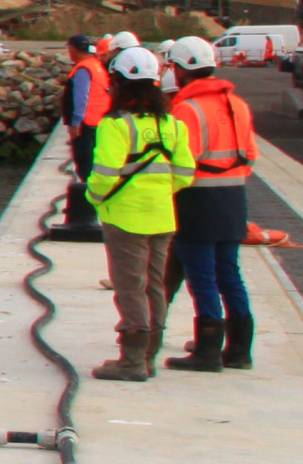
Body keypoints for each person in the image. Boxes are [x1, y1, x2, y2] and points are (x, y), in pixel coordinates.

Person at [81, 48, 194, 380]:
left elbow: (103, 174)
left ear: (118, 82)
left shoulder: (115, 125)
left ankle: (132, 361)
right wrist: (159, 192)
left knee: (130, 287)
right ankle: (149, 356)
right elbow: (186, 173)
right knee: (155, 286)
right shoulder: (171, 124)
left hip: (125, 218)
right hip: (162, 216)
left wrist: (95, 198)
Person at [163, 36, 258, 373]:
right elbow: (251, 155)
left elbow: (180, 163)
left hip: (197, 201)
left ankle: (206, 349)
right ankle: (240, 349)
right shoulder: (238, 105)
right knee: (229, 273)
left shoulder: (186, 110)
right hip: (233, 198)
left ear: (180, 69)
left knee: (202, 276)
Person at [56, 36, 111, 239]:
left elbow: (82, 97)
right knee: (92, 165)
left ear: (74, 49)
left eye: (69, 49)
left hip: (87, 125)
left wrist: (76, 124)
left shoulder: (83, 70)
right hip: (97, 123)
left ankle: (88, 211)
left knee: (85, 166)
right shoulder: (96, 66)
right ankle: (94, 207)